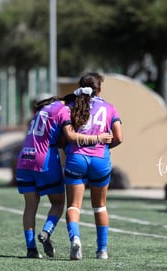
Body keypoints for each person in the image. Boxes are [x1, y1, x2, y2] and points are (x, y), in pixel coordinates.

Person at [16, 93, 112, 259]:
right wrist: (98, 138)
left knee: (30, 206)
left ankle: (31, 248)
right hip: (44, 158)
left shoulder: (41, 111)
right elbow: (69, 137)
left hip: (24, 158)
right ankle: (46, 231)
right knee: (59, 202)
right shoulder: (63, 109)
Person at [64, 72, 123, 260]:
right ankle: (102, 250)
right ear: (100, 89)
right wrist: (103, 146)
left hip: (76, 158)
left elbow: (66, 133)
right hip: (100, 160)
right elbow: (119, 137)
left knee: (74, 206)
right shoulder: (110, 108)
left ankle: (75, 240)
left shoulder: (71, 106)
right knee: (100, 207)